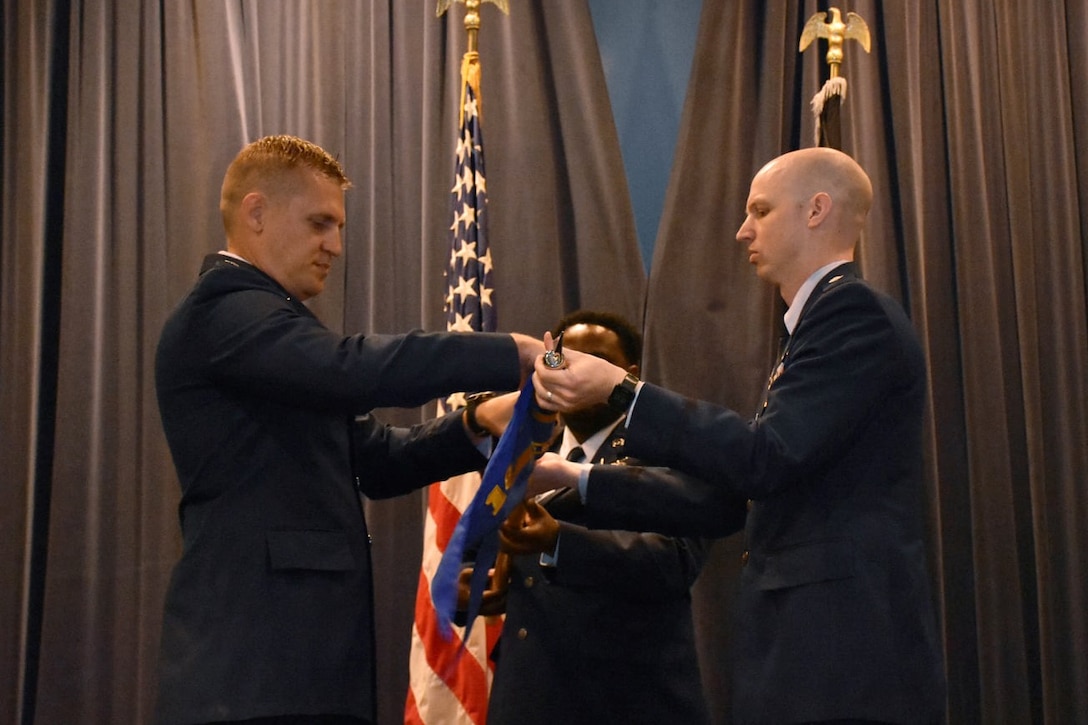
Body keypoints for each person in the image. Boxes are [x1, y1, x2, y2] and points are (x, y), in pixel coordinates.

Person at [531, 147, 946, 724]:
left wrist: (622, 392)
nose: (741, 230)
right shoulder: (817, 325)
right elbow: (729, 500)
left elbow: (764, 458)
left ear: (816, 210)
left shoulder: (852, 314)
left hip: (842, 658)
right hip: (809, 652)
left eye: (760, 210)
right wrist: (565, 474)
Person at [153, 134, 542, 725]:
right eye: (319, 224)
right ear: (256, 213)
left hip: (295, 676)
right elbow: (350, 369)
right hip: (252, 676)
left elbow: (373, 461)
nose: (335, 245)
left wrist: (474, 423)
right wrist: (507, 353)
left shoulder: (272, 329)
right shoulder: (224, 311)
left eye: (338, 227)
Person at [469, 310, 715, 725]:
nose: (571, 373)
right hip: (529, 698)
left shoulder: (670, 449)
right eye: (561, 361)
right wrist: (485, 587)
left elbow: (673, 560)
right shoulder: (524, 447)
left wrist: (558, 542)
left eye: (595, 361)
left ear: (628, 374)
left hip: (629, 701)